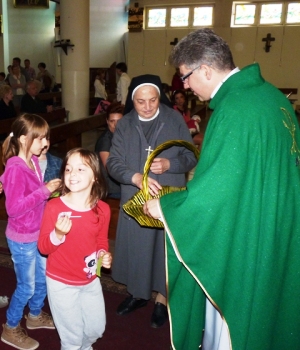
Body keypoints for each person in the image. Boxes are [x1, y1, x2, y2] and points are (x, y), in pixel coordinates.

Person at [143, 28, 300, 350]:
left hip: (247, 236)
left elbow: (220, 187)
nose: (184, 85)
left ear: (206, 70)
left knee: (237, 321)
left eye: (185, 76)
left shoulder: (235, 111)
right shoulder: (270, 97)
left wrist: (168, 209)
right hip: (275, 222)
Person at [106, 74, 197, 328]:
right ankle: (138, 294)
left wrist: (171, 163)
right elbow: (113, 163)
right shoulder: (124, 125)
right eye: (140, 102)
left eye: (153, 100)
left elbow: (191, 156)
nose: (147, 106)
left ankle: (161, 300)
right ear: (131, 101)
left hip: (168, 198)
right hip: (136, 198)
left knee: (164, 249)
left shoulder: (174, 119)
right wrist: (135, 177)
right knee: (139, 248)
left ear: (160, 97)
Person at [38, 148, 112, 350]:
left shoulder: (103, 209)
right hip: (61, 282)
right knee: (72, 338)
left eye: (81, 169)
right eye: (68, 169)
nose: (72, 174)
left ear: (95, 177)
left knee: (96, 329)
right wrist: (58, 234)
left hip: (89, 280)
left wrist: (103, 255)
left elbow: (101, 241)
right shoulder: (54, 207)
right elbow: (43, 247)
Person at [0, 114, 61, 350]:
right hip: (23, 237)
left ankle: (34, 315)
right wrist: (45, 191)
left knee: (42, 279)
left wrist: (49, 193)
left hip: (38, 231)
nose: (45, 143)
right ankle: (10, 326)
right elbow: (14, 209)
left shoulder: (33, 161)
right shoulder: (16, 167)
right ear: (25, 139)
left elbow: (32, 195)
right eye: (41, 138)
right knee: (26, 286)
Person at [95, 102, 123, 198]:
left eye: (119, 121)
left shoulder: (123, 136)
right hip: (113, 189)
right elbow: (110, 169)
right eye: (112, 121)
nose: (115, 125)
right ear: (107, 122)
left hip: (121, 184)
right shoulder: (105, 141)